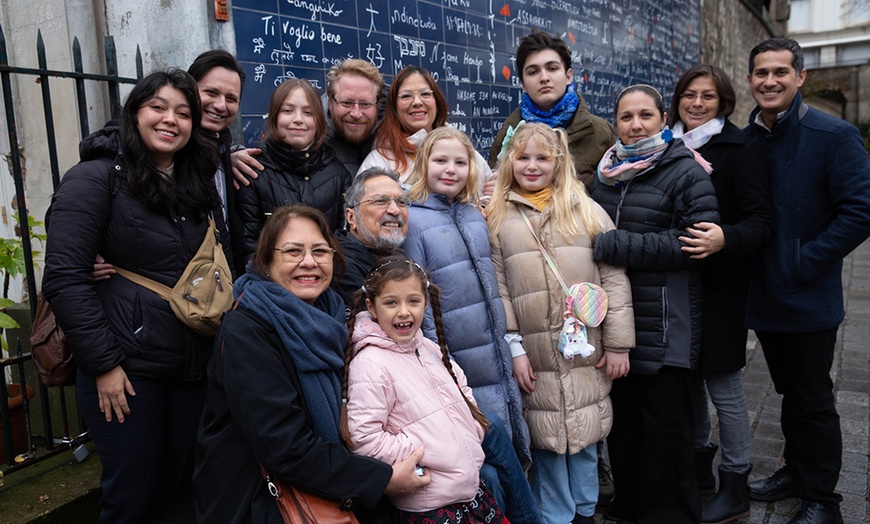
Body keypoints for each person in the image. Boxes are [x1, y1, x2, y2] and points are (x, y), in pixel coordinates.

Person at [42, 70, 231, 524]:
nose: (171, 120)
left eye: (184, 113)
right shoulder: (94, 178)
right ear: (135, 113)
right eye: (158, 108)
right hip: (127, 373)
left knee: (183, 490)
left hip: (193, 367)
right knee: (133, 498)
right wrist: (104, 365)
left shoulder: (197, 183)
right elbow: (65, 278)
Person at [195, 205, 428, 523]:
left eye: (320, 250)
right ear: (265, 261)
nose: (309, 262)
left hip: (334, 478)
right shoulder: (246, 331)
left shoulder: (336, 316)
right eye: (293, 252)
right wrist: (382, 479)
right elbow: (284, 447)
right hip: (264, 500)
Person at [742, 38, 870, 524]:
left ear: (800, 77)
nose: (769, 81)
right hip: (766, 296)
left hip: (809, 296)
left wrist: (804, 262)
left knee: (813, 399)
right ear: (750, 79)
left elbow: (860, 212)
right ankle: (796, 470)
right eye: (760, 73)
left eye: (779, 72)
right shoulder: (751, 137)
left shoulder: (834, 135)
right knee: (788, 391)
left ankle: (823, 499)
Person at [487, 122, 635, 524]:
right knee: (548, 439)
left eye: (542, 158)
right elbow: (500, 289)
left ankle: (586, 511)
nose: (531, 166)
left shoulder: (587, 211)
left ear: (559, 161)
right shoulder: (498, 218)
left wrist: (619, 344)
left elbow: (614, 277)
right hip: (536, 355)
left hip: (586, 349)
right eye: (522, 157)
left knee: (586, 435)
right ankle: (555, 516)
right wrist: (514, 347)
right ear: (509, 162)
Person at [589, 84, 720, 523]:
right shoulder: (606, 173)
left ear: (664, 119)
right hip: (620, 325)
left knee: (668, 432)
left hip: (667, 322)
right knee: (626, 429)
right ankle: (629, 508)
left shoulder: (686, 171)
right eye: (626, 117)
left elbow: (693, 242)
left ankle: (672, 515)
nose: (635, 124)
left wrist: (617, 245)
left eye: (645, 115)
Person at [401, 127, 541, 523]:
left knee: (508, 451)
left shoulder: (473, 214)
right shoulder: (413, 221)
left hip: (493, 358)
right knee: (481, 464)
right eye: (440, 160)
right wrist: (439, 365)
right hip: (455, 363)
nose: (451, 169)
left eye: (460, 162)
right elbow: (420, 303)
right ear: (423, 163)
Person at [667, 64, 773, 524]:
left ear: (723, 102)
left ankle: (736, 481)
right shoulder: (663, 147)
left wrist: (724, 238)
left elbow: (761, 222)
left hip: (721, 289)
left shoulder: (741, 147)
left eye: (707, 97)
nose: (696, 103)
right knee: (688, 384)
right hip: (675, 288)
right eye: (689, 95)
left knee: (724, 388)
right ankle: (699, 472)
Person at [341, 256, 507, 524]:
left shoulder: (427, 348)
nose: (404, 311)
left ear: (425, 303)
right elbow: (364, 438)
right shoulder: (370, 364)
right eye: (391, 302)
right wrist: (424, 449)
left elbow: (460, 387)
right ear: (372, 307)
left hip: (466, 491)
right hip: (430, 504)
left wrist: (469, 430)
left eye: (413, 301)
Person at [236, 78, 353, 260]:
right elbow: (249, 245)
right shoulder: (253, 171)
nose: (298, 120)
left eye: (308, 112)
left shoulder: (338, 174)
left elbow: (343, 241)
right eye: (288, 111)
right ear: (274, 117)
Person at [488, 30, 616, 188]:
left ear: (568, 76)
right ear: (522, 84)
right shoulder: (508, 136)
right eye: (533, 72)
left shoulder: (601, 134)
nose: (544, 78)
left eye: (552, 69)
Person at [232, 58, 384, 182]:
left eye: (365, 104)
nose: (356, 113)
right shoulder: (307, 136)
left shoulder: (394, 135)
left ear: (377, 105)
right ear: (330, 103)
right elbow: (271, 152)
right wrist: (231, 157)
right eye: (346, 103)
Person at [358, 66, 491, 186]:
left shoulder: (466, 151)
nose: (417, 102)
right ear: (394, 109)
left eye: (425, 94)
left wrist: (486, 201)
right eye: (406, 96)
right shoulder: (378, 162)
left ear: (437, 103)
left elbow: (495, 198)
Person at [187, 50, 247, 275]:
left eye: (231, 98)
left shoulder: (222, 155)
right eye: (211, 92)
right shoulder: (165, 153)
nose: (221, 105)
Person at [333, 167, 408, 305]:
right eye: (380, 201)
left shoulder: (399, 258)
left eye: (401, 202)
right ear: (351, 217)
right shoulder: (341, 267)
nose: (395, 210)